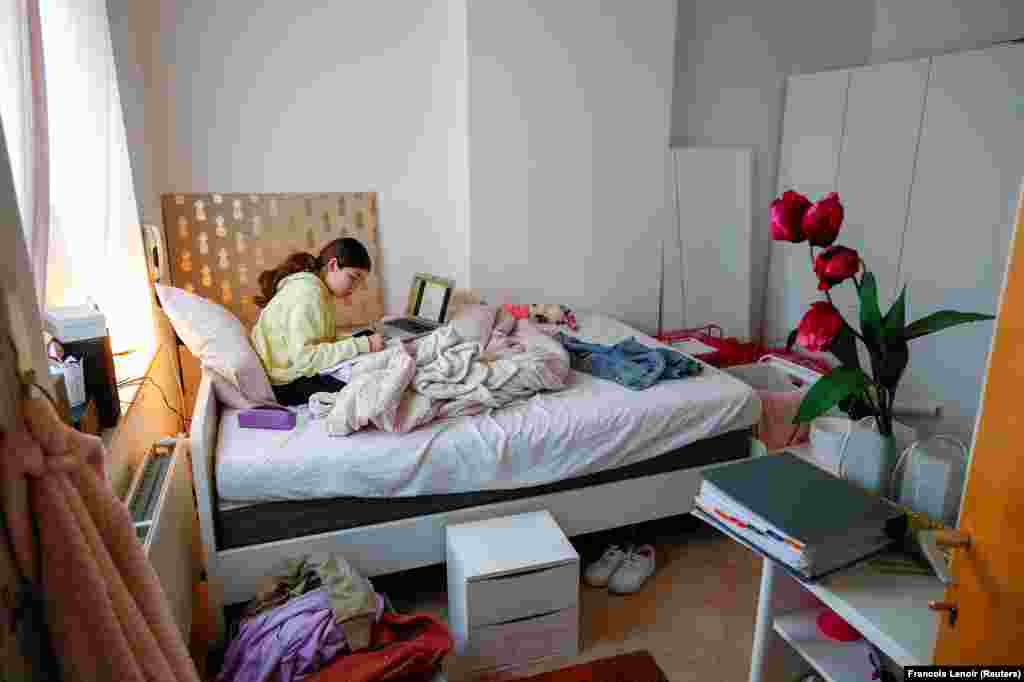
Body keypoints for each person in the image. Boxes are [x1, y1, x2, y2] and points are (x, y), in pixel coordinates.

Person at [251, 238, 386, 406]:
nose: (355, 288)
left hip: (294, 370)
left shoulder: (316, 289)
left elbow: (322, 339)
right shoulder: (309, 294)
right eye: (353, 278)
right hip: (286, 384)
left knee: (367, 338)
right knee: (369, 383)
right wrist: (363, 345)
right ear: (333, 265)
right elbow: (307, 360)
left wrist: (362, 341)